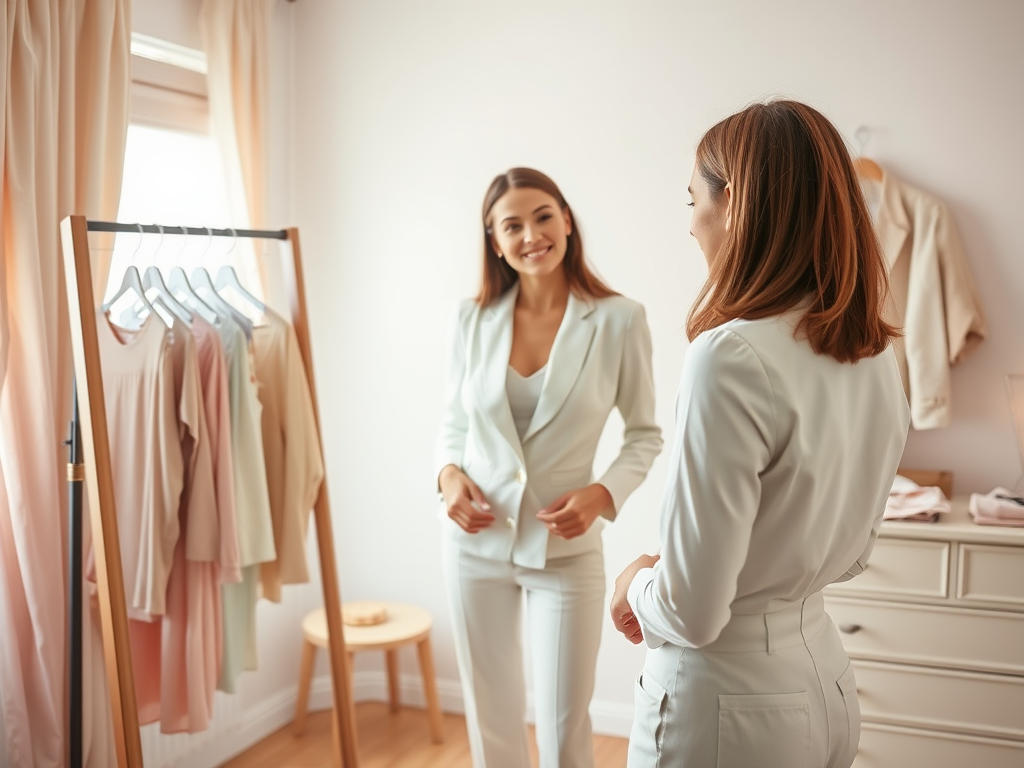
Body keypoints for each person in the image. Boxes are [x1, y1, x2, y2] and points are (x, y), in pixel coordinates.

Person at [610, 100, 911, 768]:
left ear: (735, 201)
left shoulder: (729, 356)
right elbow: (853, 553)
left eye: (693, 200)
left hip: (728, 704)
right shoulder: (875, 352)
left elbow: (693, 614)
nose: (691, 225)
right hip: (824, 677)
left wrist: (634, 583)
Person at [437, 167, 663, 768]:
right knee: (490, 715)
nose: (531, 234)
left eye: (543, 216)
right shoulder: (471, 318)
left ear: (566, 219)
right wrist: (447, 476)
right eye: (512, 225)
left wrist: (601, 495)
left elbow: (645, 434)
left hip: (566, 552)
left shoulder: (619, 319)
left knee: (565, 725)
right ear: (494, 239)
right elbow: (454, 423)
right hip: (474, 543)